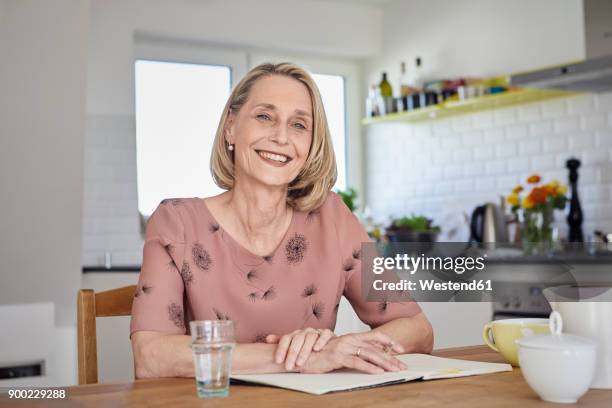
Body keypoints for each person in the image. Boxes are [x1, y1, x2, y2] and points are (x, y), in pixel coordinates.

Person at [130, 62, 433, 378]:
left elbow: (418, 329)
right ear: (231, 126)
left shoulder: (334, 219)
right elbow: (151, 357)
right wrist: (300, 358)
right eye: (264, 117)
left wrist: (346, 349)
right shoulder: (176, 223)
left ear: (311, 144)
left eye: (299, 125)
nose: (281, 137)